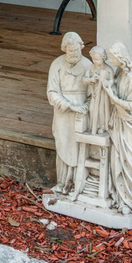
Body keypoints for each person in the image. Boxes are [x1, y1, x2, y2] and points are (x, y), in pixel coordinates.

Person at [100, 42, 132, 215]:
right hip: (120, 122)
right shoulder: (120, 72)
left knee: (130, 163)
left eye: (113, 56)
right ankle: (121, 200)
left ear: (120, 57)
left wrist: (111, 95)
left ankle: (131, 203)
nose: (110, 59)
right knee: (118, 161)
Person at [46, 32, 92, 198]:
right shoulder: (57, 64)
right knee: (63, 143)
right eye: (70, 51)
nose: (74, 54)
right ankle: (63, 183)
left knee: (80, 147)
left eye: (77, 50)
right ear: (65, 49)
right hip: (63, 113)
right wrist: (69, 106)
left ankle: (80, 185)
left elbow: (93, 94)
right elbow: (52, 93)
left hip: (82, 114)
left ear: (81, 47)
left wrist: (86, 106)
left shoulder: (88, 65)